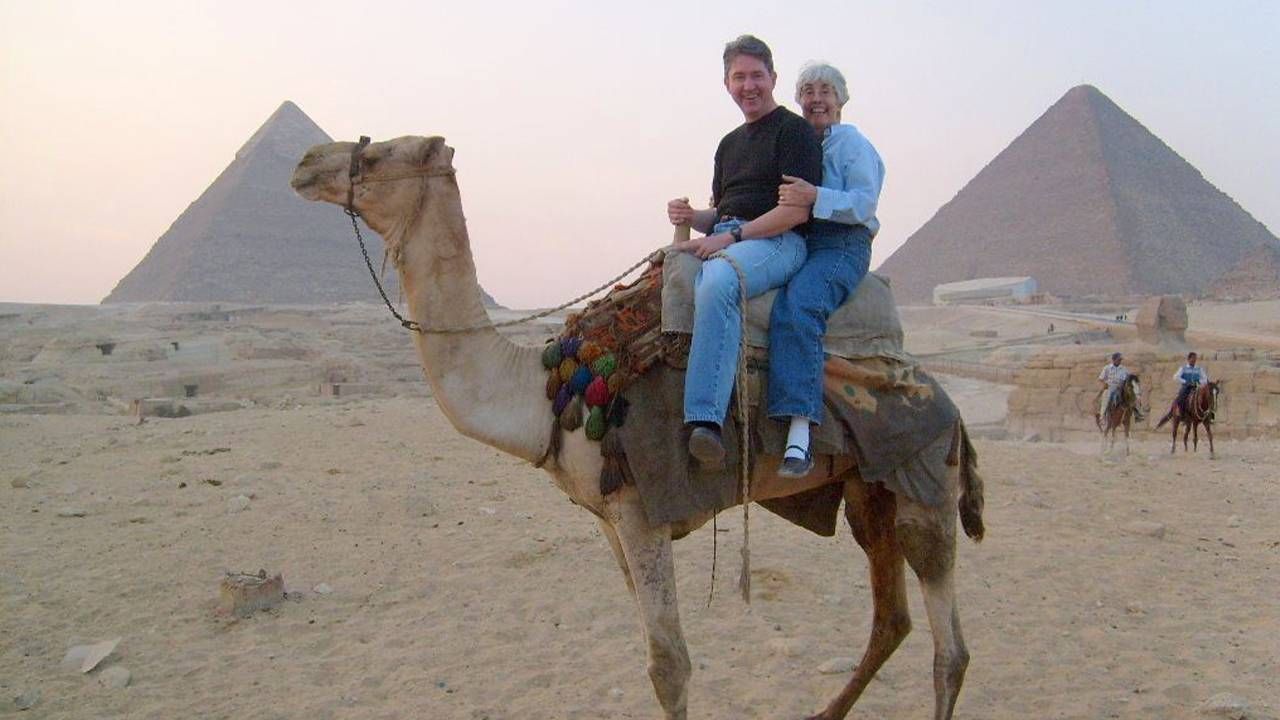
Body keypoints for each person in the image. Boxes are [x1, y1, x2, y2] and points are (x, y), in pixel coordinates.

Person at [667, 35, 823, 465]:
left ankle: (705, 421)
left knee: (720, 279)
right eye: (740, 77)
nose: (749, 85)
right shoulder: (728, 144)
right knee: (660, 272)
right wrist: (691, 215)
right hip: (734, 235)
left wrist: (731, 238)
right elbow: (721, 214)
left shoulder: (793, 132)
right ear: (726, 84)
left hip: (778, 241)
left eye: (757, 75)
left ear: (773, 78)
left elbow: (794, 213)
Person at [764, 61, 885, 478]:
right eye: (809, 91)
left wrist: (815, 195)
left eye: (825, 91)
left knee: (800, 307)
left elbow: (864, 202)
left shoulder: (851, 144)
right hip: (804, 240)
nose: (817, 99)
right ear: (798, 99)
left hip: (843, 242)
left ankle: (800, 430)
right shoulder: (799, 144)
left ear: (840, 100)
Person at [1096, 352, 1131, 420]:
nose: (1120, 361)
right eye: (1118, 360)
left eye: (1120, 360)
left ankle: (1132, 415)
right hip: (1110, 387)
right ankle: (1102, 416)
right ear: (1113, 360)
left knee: (1130, 397)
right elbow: (1101, 378)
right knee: (1107, 397)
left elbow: (1128, 378)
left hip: (1120, 387)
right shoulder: (1107, 368)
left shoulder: (1124, 369)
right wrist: (1105, 383)